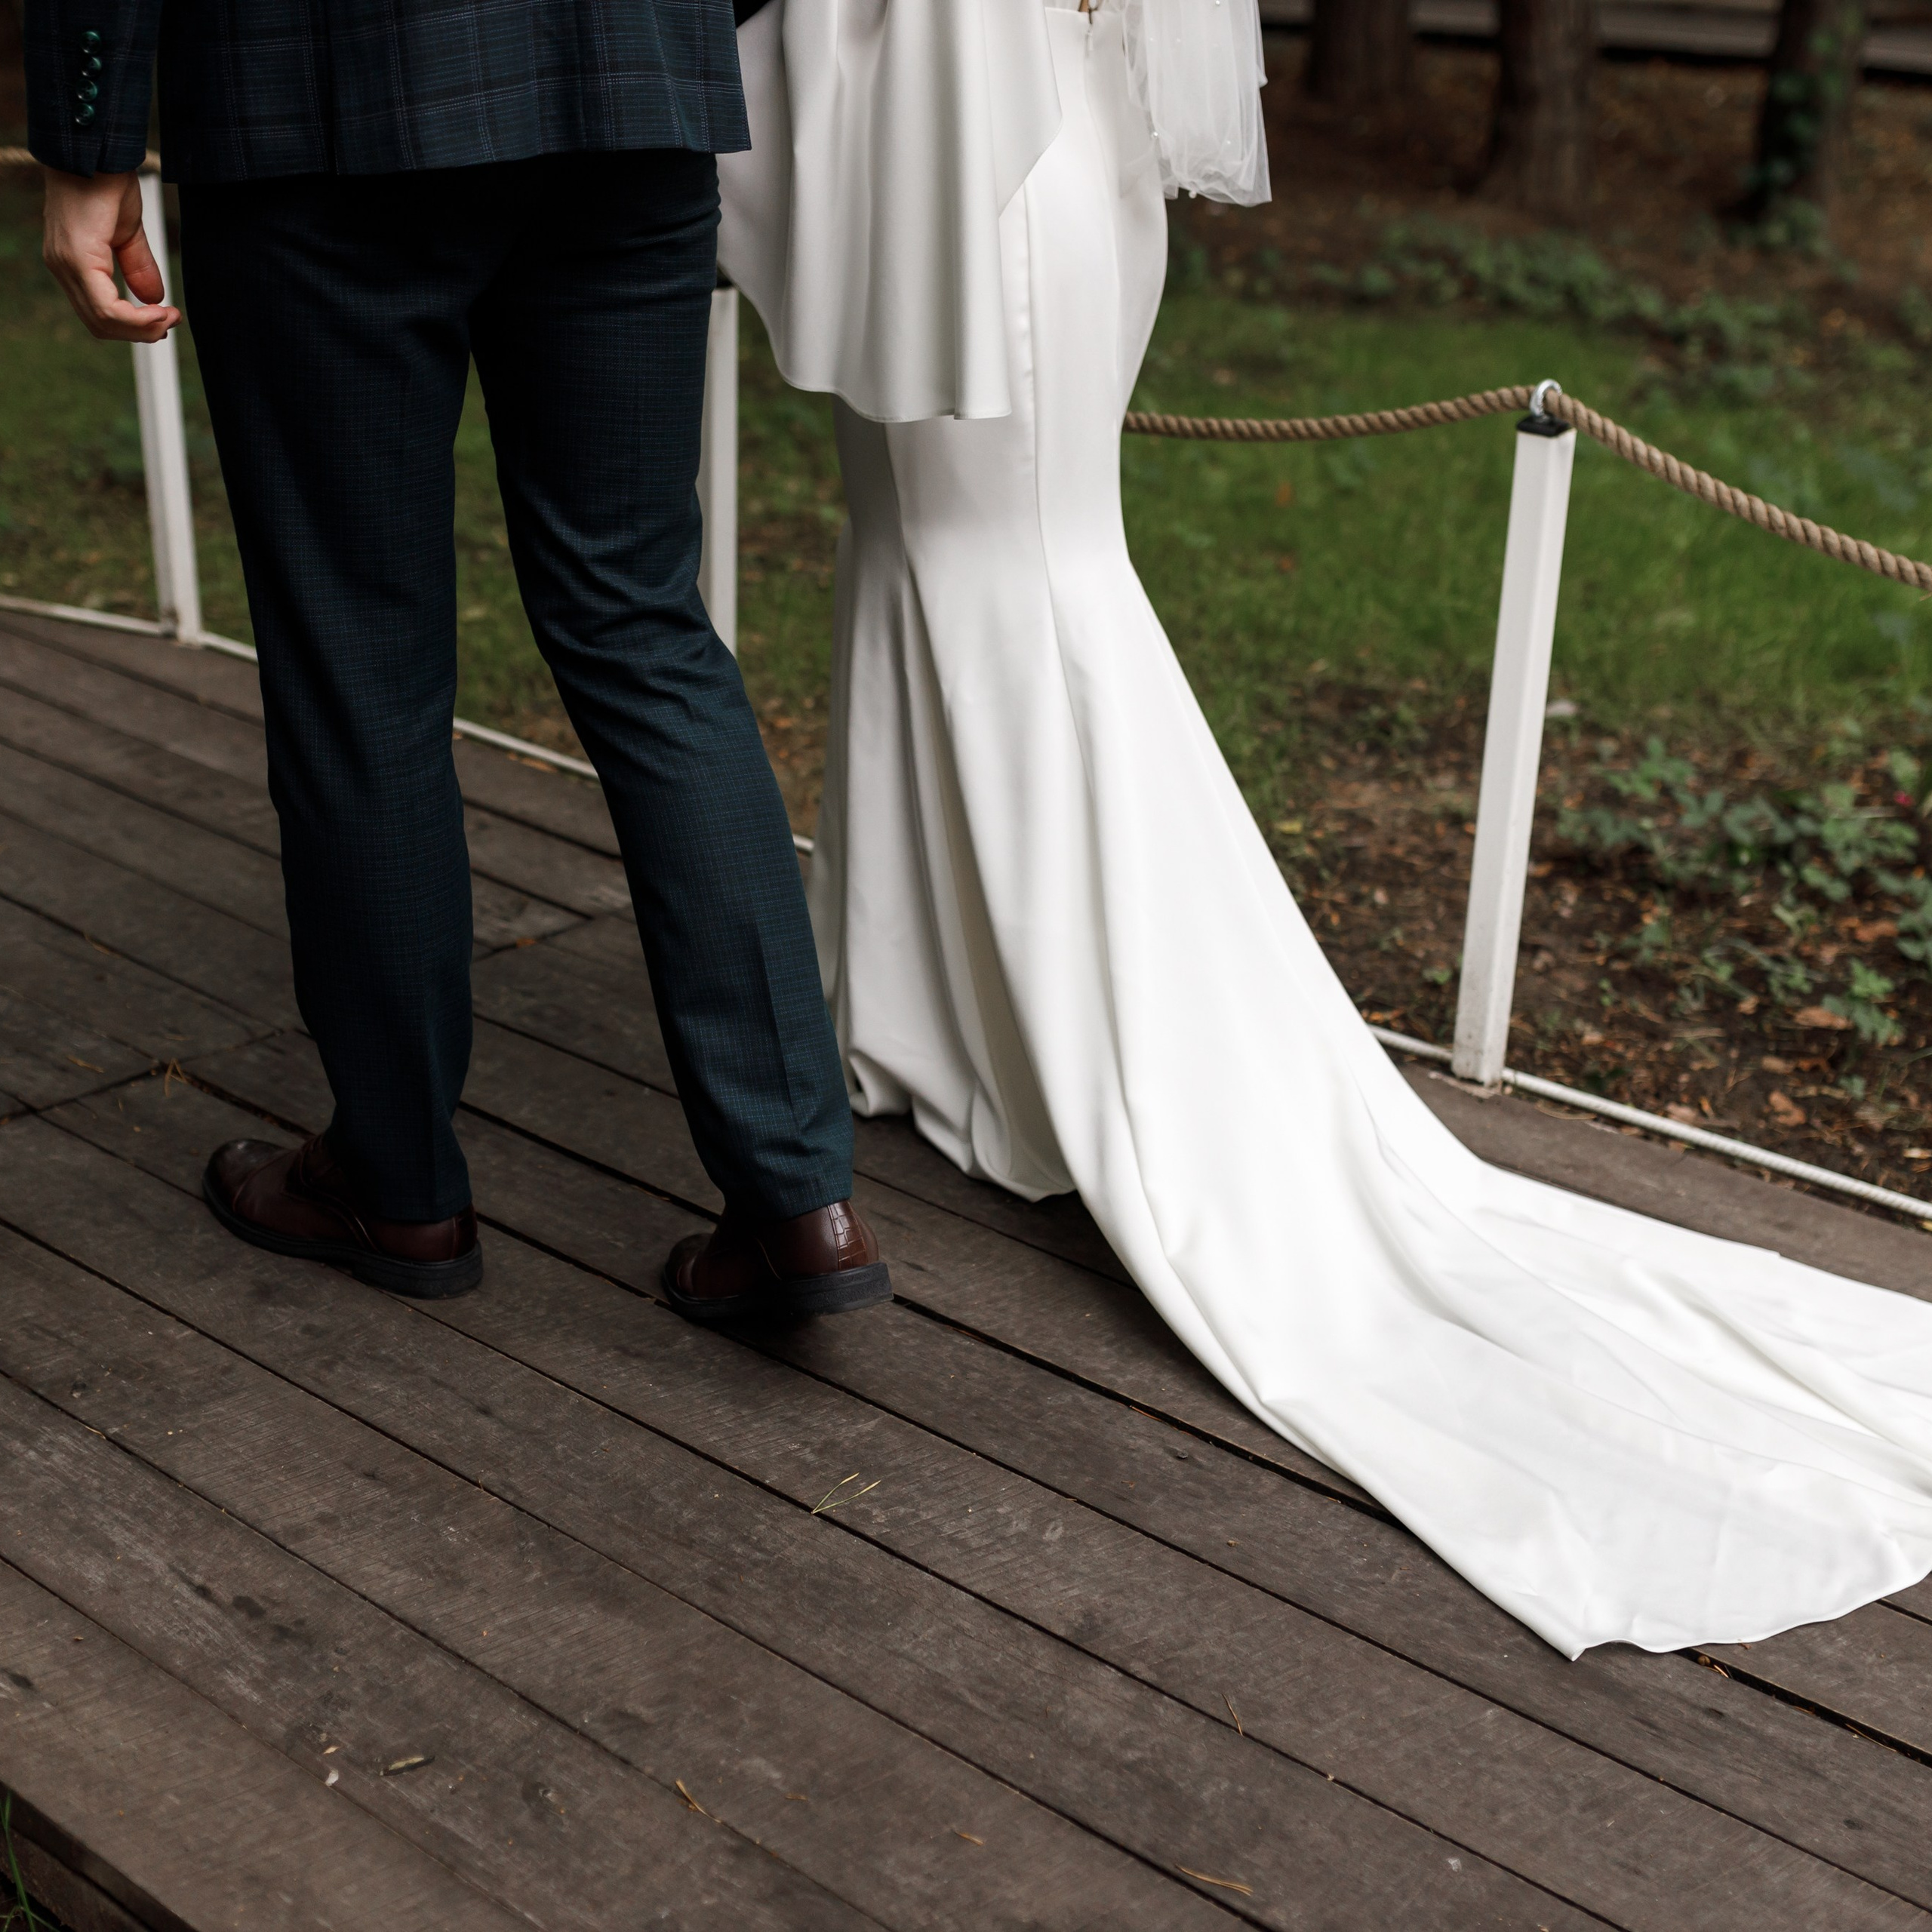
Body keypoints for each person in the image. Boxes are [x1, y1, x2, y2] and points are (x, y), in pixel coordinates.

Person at [720, 0, 1932, 1657]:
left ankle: (1086, 1053)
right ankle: (951, 1022)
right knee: (963, 570)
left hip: (963, 157)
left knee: (1004, 584)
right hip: (1047, 135)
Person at [27, 0, 889, 1320]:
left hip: (317, 107)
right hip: (628, 89)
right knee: (643, 626)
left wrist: (87, 142)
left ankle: (397, 1179)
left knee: (358, 656)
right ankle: (799, 1201)